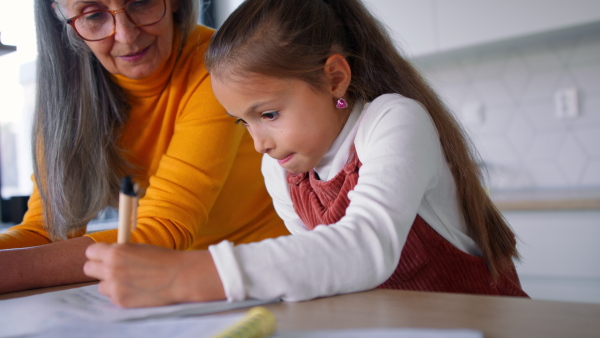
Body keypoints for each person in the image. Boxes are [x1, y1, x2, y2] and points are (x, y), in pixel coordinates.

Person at [83, 0, 529, 307]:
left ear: (335, 78)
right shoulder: (280, 170)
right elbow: (324, 272)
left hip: (485, 323)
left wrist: (186, 275)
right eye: (244, 122)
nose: (258, 141)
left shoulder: (393, 121)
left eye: (270, 113)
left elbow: (364, 248)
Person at [0, 0, 290, 294]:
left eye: (141, 2)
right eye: (95, 15)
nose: (126, 35)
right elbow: (48, 229)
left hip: (265, 274)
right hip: (174, 285)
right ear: (64, 19)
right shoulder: (67, 95)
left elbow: (160, 231)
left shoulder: (218, 66)